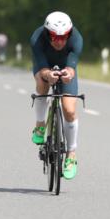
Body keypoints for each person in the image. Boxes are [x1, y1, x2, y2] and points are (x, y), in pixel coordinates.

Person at [30, 11, 83, 180]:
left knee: (69, 110)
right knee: (41, 83)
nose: (59, 41)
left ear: (70, 33)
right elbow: (41, 66)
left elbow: (71, 66)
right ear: (47, 34)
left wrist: (68, 73)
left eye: (64, 37)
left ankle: (71, 155)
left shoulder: (76, 39)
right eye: (54, 37)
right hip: (44, 66)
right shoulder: (37, 39)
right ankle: (40, 124)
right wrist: (47, 74)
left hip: (65, 68)